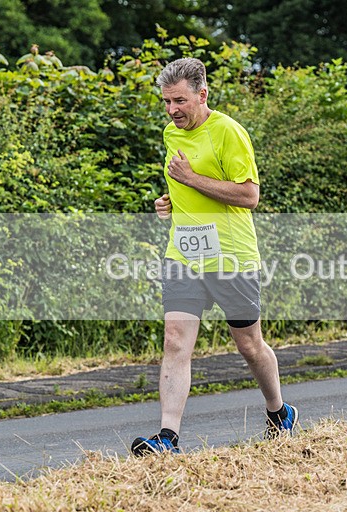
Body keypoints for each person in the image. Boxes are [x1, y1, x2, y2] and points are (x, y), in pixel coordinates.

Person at [131, 57, 298, 455]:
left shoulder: (229, 133)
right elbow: (191, 187)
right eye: (166, 102)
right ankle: (167, 438)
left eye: (180, 101)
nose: (172, 110)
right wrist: (172, 199)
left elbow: (248, 195)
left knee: (249, 345)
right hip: (184, 253)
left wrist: (190, 180)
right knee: (175, 340)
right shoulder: (172, 133)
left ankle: (279, 411)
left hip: (231, 256)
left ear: (202, 95)